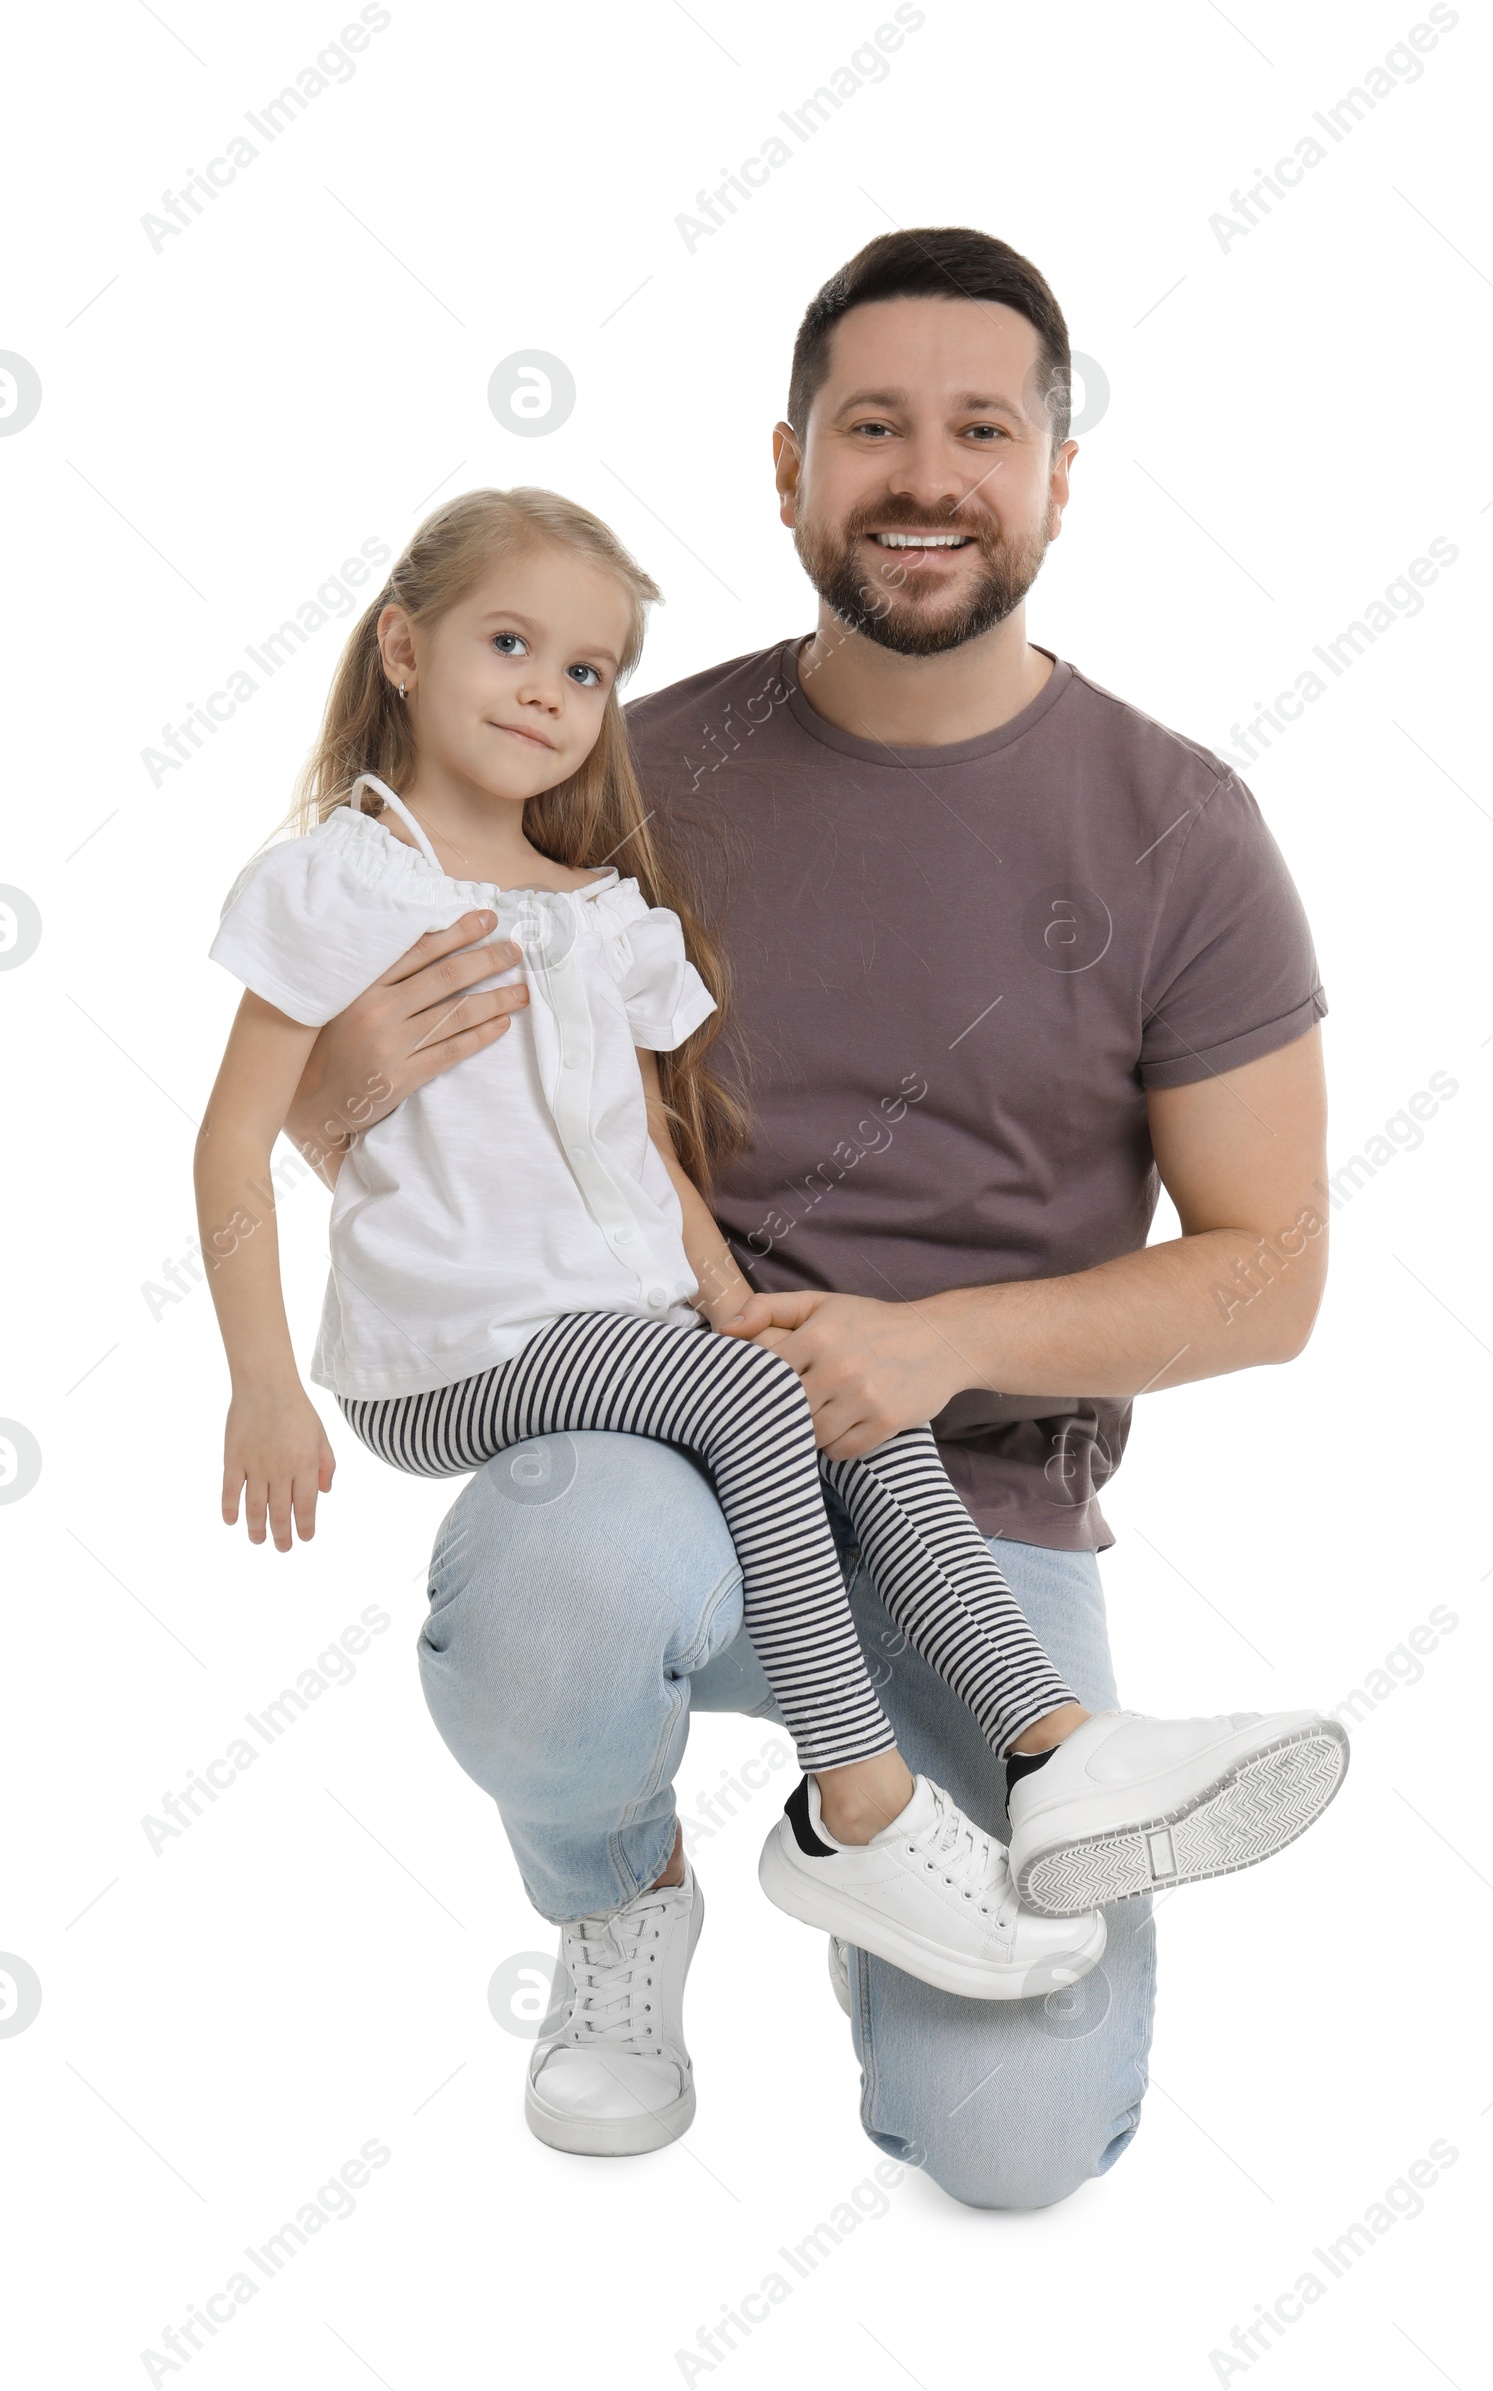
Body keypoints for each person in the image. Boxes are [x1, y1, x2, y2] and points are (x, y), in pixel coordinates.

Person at [276, 228, 1338, 2207]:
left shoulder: (1177, 825)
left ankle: (996, 1777)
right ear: (786, 469)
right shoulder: (629, 765)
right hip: (653, 1443)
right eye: (871, 427)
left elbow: (1268, 1269)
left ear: (1052, 473)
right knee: (557, 1585)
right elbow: (411, 1108)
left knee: (1009, 2144)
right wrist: (337, 1090)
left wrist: (933, 1343)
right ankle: (620, 1897)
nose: (923, 474)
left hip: (976, 1504)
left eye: (977, 427)